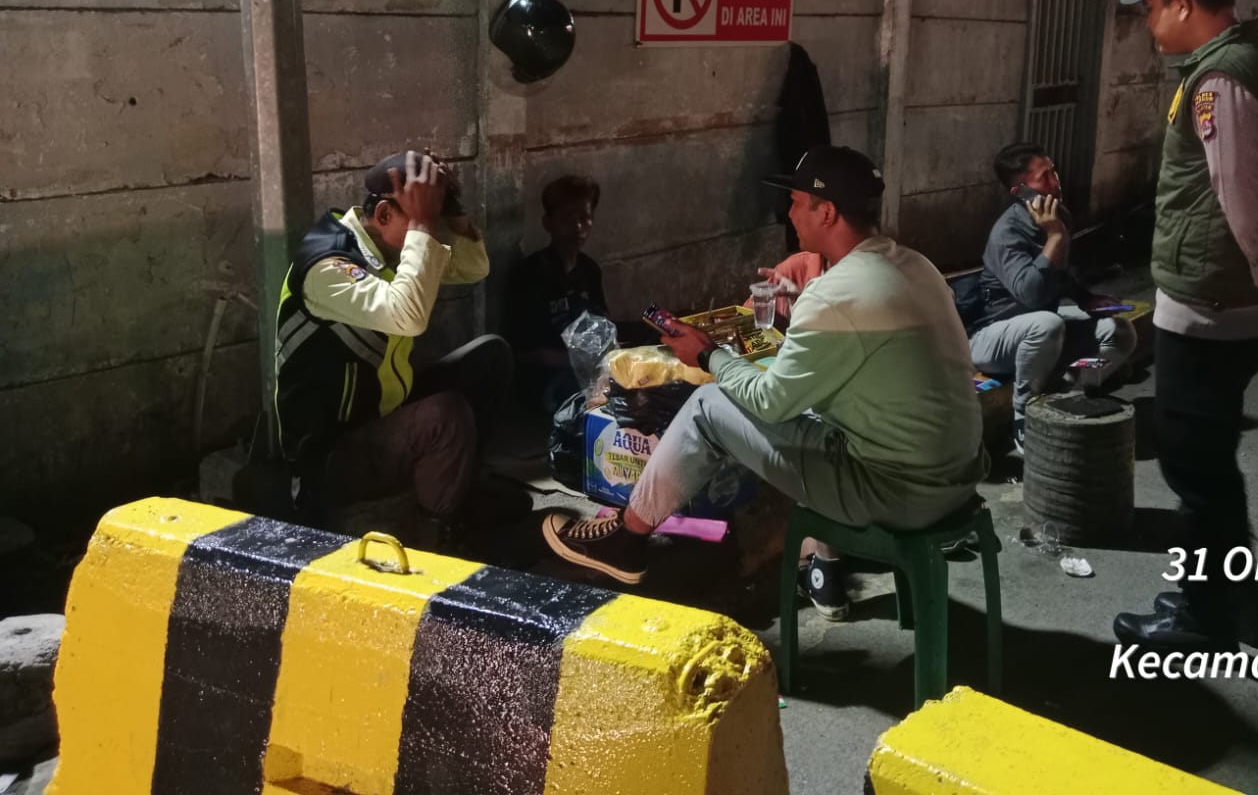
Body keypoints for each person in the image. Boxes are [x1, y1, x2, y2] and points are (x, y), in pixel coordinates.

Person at [541, 146, 986, 613]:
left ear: (827, 212)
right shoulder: (916, 266)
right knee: (803, 405)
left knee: (708, 406)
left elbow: (771, 401)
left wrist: (707, 354)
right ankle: (820, 564)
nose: (789, 214)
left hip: (898, 494)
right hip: (956, 478)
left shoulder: (837, 294)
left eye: (796, 202)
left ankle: (625, 542)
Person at [1112, 0, 1258, 652]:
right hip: (1235, 302)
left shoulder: (1220, 80)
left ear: (1182, 3)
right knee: (1208, 461)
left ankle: (1212, 618)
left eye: (1152, 8)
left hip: (1210, 304)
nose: (1149, 23)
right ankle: (1231, 607)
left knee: (1195, 468)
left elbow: (1245, 199)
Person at [273, 149, 511, 545]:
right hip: (330, 456)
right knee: (445, 415)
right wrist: (422, 224)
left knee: (490, 357)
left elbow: (474, 268)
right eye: (422, 221)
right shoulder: (327, 266)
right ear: (384, 214)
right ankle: (439, 532)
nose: (429, 233)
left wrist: (450, 207)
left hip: (382, 413)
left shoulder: (386, 244)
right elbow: (408, 316)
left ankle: (460, 487)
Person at [966, 143, 1137, 450]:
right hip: (992, 338)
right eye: (1044, 177)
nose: (1056, 182)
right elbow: (1031, 296)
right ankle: (1023, 417)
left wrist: (1085, 298)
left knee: (1120, 331)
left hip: (1043, 331)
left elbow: (1062, 274)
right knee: (1046, 323)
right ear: (1021, 191)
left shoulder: (1060, 216)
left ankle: (1073, 393)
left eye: (1054, 171)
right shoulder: (1007, 233)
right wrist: (1055, 236)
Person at [505, 175, 609, 411]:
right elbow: (521, 352)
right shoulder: (530, 274)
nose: (578, 228)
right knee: (597, 400)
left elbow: (603, 326)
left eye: (585, 218)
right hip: (544, 380)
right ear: (548, 223)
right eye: (567, 219)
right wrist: (578, 363)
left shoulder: (590, 270)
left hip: (587, 371)